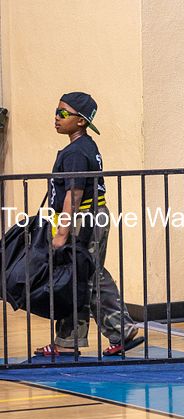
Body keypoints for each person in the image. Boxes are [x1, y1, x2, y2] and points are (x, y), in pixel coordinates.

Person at [34, 92, 144, 357]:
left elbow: (74, 195)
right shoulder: (84, 147)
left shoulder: (76, 152)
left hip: (83, 219)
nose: (56, 117)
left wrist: (62, 232)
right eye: (56, 111)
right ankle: (69, 340)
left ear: (81, 121)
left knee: (85, 276)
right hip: (88, 217)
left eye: (63, 113)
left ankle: (120, 329)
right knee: (78, 277)